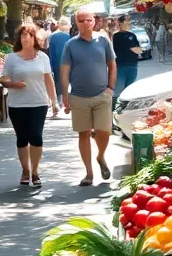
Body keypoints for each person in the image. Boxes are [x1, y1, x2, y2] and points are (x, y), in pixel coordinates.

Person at [60, 10, 117, 186]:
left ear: (94, 22)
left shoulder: (103, 41)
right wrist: (65, 95)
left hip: (101, 94)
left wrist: (110, 88)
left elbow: (112, 65)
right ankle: (89, 173)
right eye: (81, 20)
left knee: (104, 131)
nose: (85, 23)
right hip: (78, 96)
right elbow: (64, 72)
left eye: (89, 20)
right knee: (83, 134)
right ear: (76, 23)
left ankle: (100, 156)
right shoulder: (70, 45)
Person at [1, 25, 59, 188]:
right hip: (17, 104)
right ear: (19, 39)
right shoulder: (12, 58)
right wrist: (13, 84)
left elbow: (48, 80)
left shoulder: (42, 57)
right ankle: (25, 170)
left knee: (36, 136)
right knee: (22, 138)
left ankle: (35, 171)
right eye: (23, 36)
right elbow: (3, 80)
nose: (26, 39)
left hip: (38, 102)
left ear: (35, 39)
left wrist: (54, 101)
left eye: (29, 36)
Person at [112, 14, 142, 108]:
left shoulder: (132, 35)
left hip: (133, 65)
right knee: (119, 89)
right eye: (126, 21)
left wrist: (133, 49)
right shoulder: (116, 36)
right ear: (120, 23)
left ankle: (127, 108)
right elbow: (129, 48)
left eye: (129, 21)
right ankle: (114, 109)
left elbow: (139, 50)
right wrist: (132, 48)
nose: (128, 23)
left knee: (129, 89)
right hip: (121, 66)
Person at [48, 16, 71, 90]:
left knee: (58, 87)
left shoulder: (52, 36)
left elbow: (50, 52)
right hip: (67, 65)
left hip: (55, 65)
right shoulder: (69, 37)